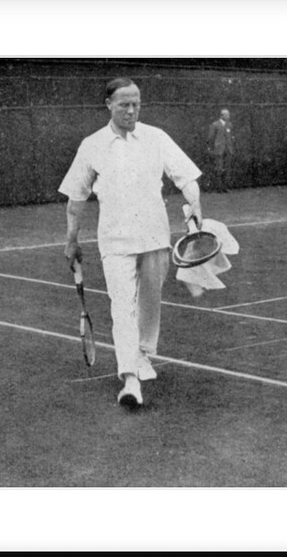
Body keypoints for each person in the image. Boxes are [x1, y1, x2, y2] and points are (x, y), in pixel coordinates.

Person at [59, 77, 204, 408]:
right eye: (124, 104)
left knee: (150, 303)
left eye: (136, 103)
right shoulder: (92, 145)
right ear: (108, 105)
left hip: (155, 237)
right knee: (122, 306)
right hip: (115, 242)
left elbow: (187, 178)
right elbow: (75, 198)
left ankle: (142, 355)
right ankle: (129, 379)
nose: (131, 110)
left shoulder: (156, 137)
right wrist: (72, 239)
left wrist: (195, 206)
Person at [206, 108, 235, 192]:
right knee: (219, 169)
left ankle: (226, 187)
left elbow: (232, 137)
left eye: (229, 115)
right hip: (219, 150)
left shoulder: (230, 125)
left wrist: (231, 147)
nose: (228, 116)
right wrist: (211, 148)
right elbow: (211, 138)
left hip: (228, 150)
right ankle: (218, 188)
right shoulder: (215, 125)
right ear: (222, 115)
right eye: (227, 115)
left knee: (227, 169)